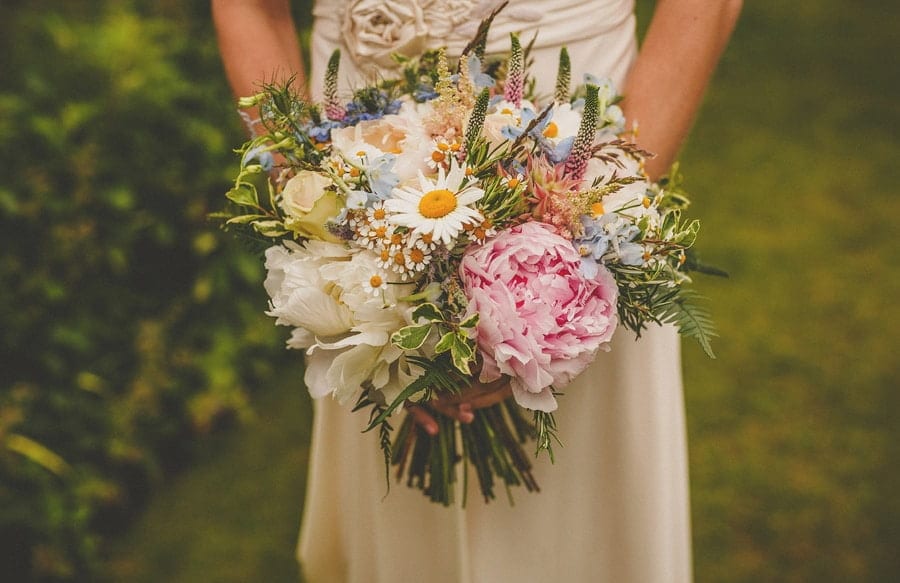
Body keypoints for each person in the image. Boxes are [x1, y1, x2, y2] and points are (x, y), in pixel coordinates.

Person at [212, 1, 742, 581]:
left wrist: (591, 224)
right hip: (358, 145)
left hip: (574, 141)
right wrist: (322, 210)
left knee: (581, 510)